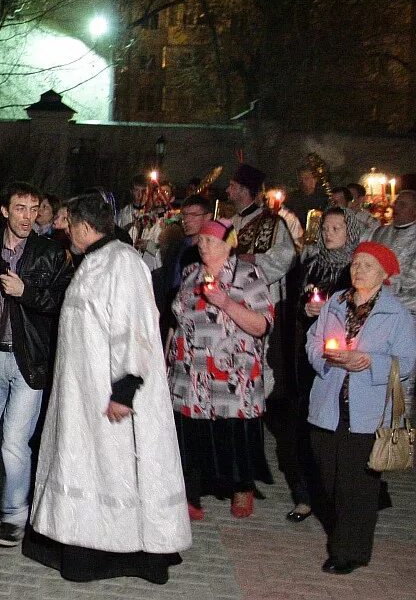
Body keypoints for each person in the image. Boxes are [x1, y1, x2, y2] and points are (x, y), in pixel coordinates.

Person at [25, 191, 190, 584]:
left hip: (111, 396)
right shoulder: (94, 260)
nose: (66, 234)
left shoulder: (124, 262)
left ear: (84, 226)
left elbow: (133, 327)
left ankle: (126, 551)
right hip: (82, 395)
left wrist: (125, 390)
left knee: (118, 469)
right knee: (87, 465)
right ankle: (80, 543)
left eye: (70, 227)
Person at [0, 182, 72, 546]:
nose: (28, 216)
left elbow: (61, 303)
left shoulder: (50, 252)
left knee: (14, 443)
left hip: (29, 360)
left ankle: (15, 515)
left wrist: (28, 292)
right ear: (4, 210)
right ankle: (1, 501)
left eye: (33, 208)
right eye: (20, 208)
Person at [306, 241, 416, 575]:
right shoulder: (336, 303)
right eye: (356, 264)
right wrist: (325, 357)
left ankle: (349, 551)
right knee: (328, 478)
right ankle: (349, 527)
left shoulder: (396, 314)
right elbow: (312, 340)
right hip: (328, 404)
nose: (358, 270)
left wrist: (368, 361)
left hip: (369, 412)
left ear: (384, 275)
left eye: (368, 266)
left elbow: (408, 361)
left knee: (355, 485)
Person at [169, 219, 274, 520]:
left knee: (233, 430)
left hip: (231, 370)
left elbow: (262, 324)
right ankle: (191, 492)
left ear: (229, 244)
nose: (203, 246)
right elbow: (177, 319)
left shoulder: (247, 275)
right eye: (200, 240)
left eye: (211, 241)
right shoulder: (191, 275)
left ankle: (242, 486)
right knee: (190, 430)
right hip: (191, 370)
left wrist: (225, 302)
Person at [278, 208, 363, 523]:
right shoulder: (311, 263)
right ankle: (304, 495)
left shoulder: (357, 268)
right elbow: (297, 303)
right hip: (308, 353)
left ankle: (336, 497)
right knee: (303, 423)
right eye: (326, 227)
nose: (329, 234)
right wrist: (306, 308)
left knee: (334, 428)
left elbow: (360, 308)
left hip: (342, 359)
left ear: (349, 232)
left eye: (337, 228)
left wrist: (329, 310)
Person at [227, 164, 296, 305]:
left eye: (232, 186)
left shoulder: (272, 222)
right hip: (232, 294)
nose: (227, 190)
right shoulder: (229, 222)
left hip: (261, 296)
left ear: (244, 190)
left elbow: (286, 257)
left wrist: (255, 259)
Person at [153, 194, 212, 341]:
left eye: (193, 215)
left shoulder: (213, 251)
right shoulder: (176, 247)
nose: (187, 220)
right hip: (170, 315)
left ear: (208, 217)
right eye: (185, 215)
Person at [370, 188, 416, 316]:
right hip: (375, 298)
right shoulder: (380, 232)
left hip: (408, 307)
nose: (396, 207)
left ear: (414, 211)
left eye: (403, 204)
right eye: (396, 203)